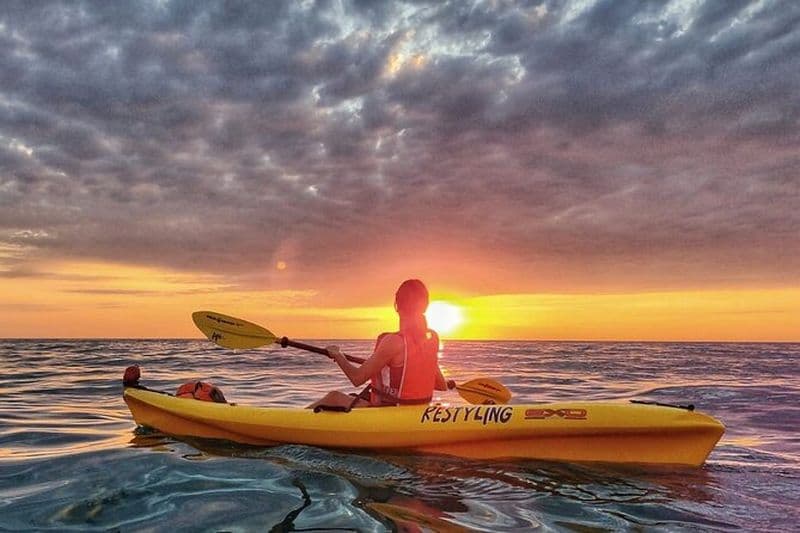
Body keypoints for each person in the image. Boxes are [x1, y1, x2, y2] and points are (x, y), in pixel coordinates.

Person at [308, 279, 449, 410]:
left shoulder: (394, 342)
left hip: (391, 413)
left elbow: (357, 379)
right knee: (355, 397)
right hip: (418, 411)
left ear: (397, 306)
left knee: (334, 397)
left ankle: (295, 424)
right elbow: (441, 385)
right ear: (425, 306)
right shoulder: (429, 340)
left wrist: (338, 356)